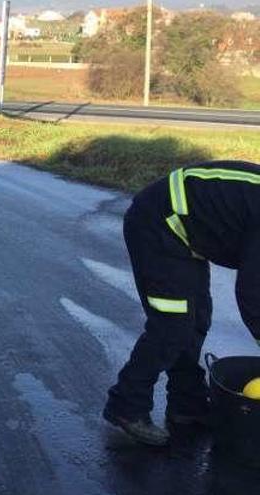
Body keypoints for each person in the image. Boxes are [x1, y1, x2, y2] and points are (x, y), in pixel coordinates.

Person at [104, 160, 260, 446]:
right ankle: (126, 405)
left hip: (187, 236)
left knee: (197, 319)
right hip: (158, 225)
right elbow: (253, 293)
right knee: (172, 325)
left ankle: (187, 405)